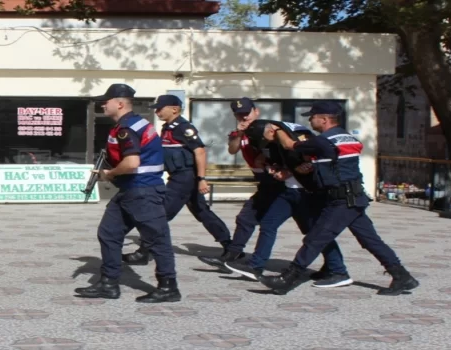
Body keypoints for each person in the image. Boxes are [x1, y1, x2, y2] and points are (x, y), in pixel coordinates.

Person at [257, 101, 419, 296]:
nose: (310, 120)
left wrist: (278, 128)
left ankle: (288, 279)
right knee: (370, 240)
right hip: (354, 198)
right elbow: (334, 164)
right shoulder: (345, 137)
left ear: (324, 119)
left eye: (313, 116)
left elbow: (289, 145)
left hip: (342, 201)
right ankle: (402, 276)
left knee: (315, 239)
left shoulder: (324, 141)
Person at [74, 84, 181, 303]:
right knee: (109, 233)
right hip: (131, 190)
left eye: (107, 101)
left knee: (158, 240)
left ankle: (168, 287)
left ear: (120, 103)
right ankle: (109, 284)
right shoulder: (135, 123)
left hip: (143, 191)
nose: (103, 104)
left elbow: (132, 162)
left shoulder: (127, 128)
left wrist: (109, 174)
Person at [223, 118, 352, 288]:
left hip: (307, 193)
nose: (265, 145)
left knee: (315, 234)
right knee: (268, 224)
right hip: (289, 191)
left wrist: (288, 172)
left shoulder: (299, 135)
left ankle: (338, 270)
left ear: (270, 131)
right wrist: (273, 167)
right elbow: (276, 158)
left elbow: (313, 160)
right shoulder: (275, 137)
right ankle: (256, 266)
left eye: (264, 141)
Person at [122, 95, 232, 265]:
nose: (157, 112)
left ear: (174, 109)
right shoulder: (168, 128)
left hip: (184, 178)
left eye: (160, 108)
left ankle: (144, 251)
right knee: (202, 212)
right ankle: (231, 247)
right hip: (180, 177)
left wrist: (202, 178)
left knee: (160, 214)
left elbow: (200, 152)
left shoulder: (183, 128)